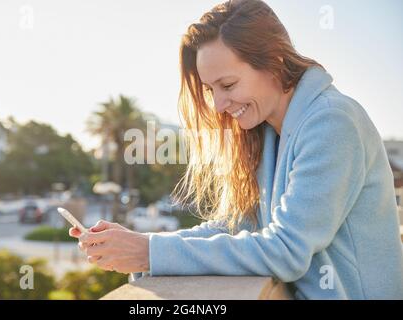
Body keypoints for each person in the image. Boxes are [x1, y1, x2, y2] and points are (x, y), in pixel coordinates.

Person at [70, 0, 403, 299]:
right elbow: (234, 227)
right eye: (210, 89)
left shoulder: (332, 122)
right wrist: (139, 243)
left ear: (273, 61)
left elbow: (286, 249)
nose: (217, 104)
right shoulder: (270, 133)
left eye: (227, 85)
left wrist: (150, 252)